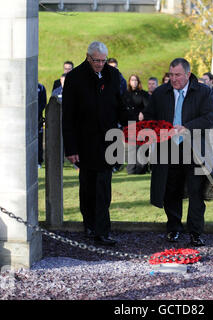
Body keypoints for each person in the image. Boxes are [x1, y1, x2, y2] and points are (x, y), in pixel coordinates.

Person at [143, 58, 213, 246]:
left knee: (196, 192)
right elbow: (149, 117)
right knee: (171, 190)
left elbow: (209, 118)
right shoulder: (160, 93)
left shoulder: (204, 92)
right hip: (168, 148)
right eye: (171, 75)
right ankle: (173, 229)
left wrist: (186, 127)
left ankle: (196, 233)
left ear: (188, 74)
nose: (174, 79)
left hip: (194, 149)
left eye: (178, 75)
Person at [62, 41, 126, 246]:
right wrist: (70, 148)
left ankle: (102, 230)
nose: (100, 64)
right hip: (84, 142)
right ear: (88, 57)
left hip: (108, 141)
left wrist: (132, 126)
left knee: (103, 187)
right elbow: (68, 116)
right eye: (96, 60)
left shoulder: (114, 75)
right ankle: (89, 225)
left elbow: (120, 105)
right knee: (88, 186)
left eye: (103, 60)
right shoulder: (74, 77)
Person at [122, 74, 150, 174]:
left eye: (135, 80)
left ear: (138, 82)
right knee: (132, 147)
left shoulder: (143, 94)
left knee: (141, 146)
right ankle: (131, 169)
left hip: (140, 123)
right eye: (132, 80)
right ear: (129, 82)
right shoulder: (125, 94)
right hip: (130, 123)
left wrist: (143, 113)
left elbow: (148, 106)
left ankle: (141, 169)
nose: (134, 82)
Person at [38, 83, 47, 168]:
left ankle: (39, 161)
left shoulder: (41, 87)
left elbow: (43, 102)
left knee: (39, 140)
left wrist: (37, 111)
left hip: (38, 118)